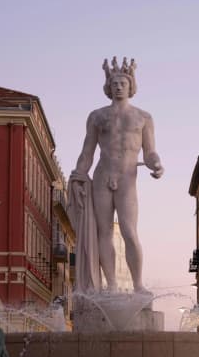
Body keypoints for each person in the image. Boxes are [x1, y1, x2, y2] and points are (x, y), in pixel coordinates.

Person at [69, 57, 163, 294]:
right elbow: (87, 152)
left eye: (123, 82)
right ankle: (110, 284)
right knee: (104, 231)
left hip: (127, 179)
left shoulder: (143, 117)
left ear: (131, 87)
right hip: (102, 176)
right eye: (114, 83)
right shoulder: (97, 116)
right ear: (108, 88)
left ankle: (138, 284)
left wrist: (156, 164)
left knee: (129, 231)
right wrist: (79, 176)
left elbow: (149, 151)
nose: (119, 86)